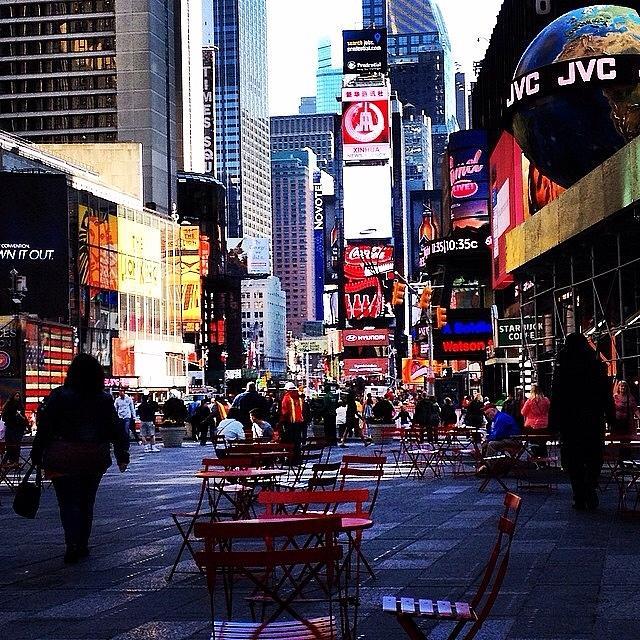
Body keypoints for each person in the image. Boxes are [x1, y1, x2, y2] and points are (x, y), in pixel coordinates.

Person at [30, 354, 129, 564]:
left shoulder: (59, 396)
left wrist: (37, 452)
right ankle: (82, 542)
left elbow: (45, 427)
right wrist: (122, 454)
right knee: (86, 500)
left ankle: (72, 543)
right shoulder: (103, 399)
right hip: (93, 455)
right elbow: (115, 428)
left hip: (63, 454)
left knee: (67, 502)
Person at [548, 332, 615, 510]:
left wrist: (553, 423)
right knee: (594, 456)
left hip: (570, 421)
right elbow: (605, 395)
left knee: (573, 459)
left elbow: (557, 397)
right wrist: (611, 416)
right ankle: (590, 486)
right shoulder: (595, 366)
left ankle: (579, 494)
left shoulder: (563, 368)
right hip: (593, 419)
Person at [477, 406, 522, 474]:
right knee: (487, 444)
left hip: (513, 440)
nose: (487, 416)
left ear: (493, 410)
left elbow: (497, 435)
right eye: (486, 414)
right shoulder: (497, 418)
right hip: (508, 439)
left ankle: (489, 466)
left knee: (492, 444)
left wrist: (488, 440)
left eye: (488, 413)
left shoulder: (500, 418)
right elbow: (494, 433)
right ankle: (485, 464)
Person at [521, 384, 551, 457]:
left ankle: (536, 458)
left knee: (533, 443)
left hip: (532, 426)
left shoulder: (530, 401)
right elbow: (549, 409)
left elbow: (523, 412)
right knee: (542, 443)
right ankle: (543, 459)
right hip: (544, 425)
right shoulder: (546, 400)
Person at [279, 382, 305, 463]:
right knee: (297, 442)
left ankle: (289, 459)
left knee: (288, 442)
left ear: (286, 390)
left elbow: (284, 412)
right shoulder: (299, 398)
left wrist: (281, 422)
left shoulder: (286, 398)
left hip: (288, 424)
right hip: (299, 424)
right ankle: (297, 459)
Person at [1, 391, 27, 464]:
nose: (18, 398)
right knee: (10, 445)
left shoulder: (20, 406)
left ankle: (15, 461)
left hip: (18, 428)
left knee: (16, 445)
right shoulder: (8, 406)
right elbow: (5, 417)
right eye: (16, 396)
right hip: (10, 427)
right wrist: (13, 417)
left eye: (19, 396)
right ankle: (7, 461)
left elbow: (23, 417)